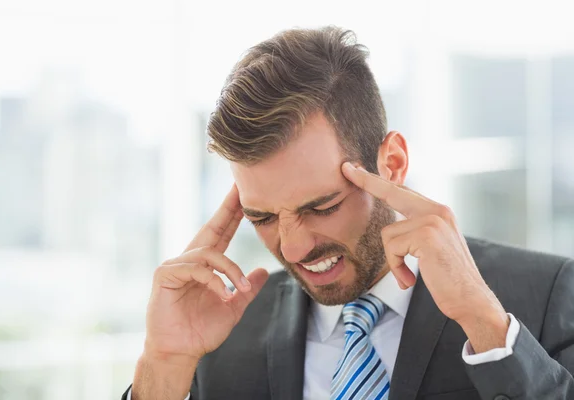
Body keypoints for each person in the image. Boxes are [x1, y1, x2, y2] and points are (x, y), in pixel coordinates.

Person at [122, 26, 574, 400]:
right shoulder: (221, 336)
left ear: (392, 164)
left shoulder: (549, 296)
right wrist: (163, 366)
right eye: (261, 217)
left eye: (322, 206)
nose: (294, 246)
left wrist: (485, 325)